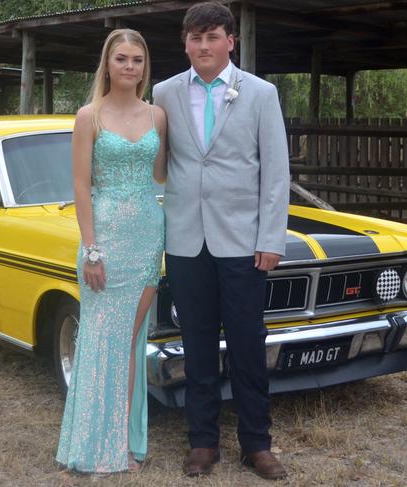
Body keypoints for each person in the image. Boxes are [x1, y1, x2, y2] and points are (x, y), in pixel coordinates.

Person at [152, 1, 289, 480]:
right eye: (195, 37)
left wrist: (271, 236)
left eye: (212, 37)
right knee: (198, 344)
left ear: (231, 41)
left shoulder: (259, 93)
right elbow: (159, 162)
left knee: (249, 345)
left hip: (243, 243)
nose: (203, 46)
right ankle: (203, 442)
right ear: (185, 43)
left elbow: (275, 172)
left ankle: (257, 443)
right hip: (186, 240)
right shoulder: (164, 92)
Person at [56, 29, 167, 474]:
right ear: (107, 63)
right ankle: (94, 445)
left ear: (144, 66)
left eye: (137, 60)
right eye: (121, 59)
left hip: (146, 235)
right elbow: (81, 186)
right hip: (105, 239)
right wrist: (93, 250)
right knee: (102, 341)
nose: (129, 67)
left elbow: (160, 175)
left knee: (131, 342)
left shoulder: (158, 116)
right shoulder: (89, 116)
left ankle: (125, 443)